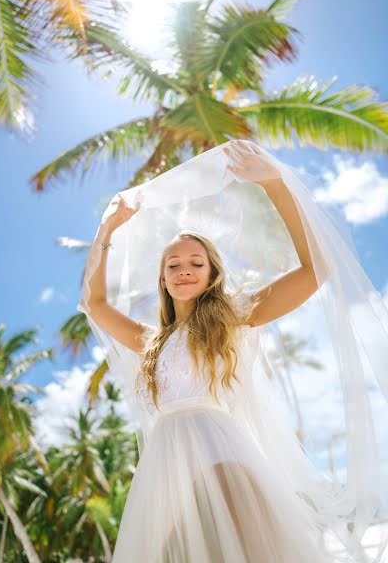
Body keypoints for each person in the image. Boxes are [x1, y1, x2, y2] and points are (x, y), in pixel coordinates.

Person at [78, 139, 388, 562]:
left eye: (195, 262)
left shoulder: (234, 318)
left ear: (211, 274)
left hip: (220, 454)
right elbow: (94, 304)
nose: (184, 269)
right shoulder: (152, 341)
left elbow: (316, 268)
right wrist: (107, 229)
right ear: (163, 280)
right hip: (165, 470)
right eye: (173, 264)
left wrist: (275, 184)